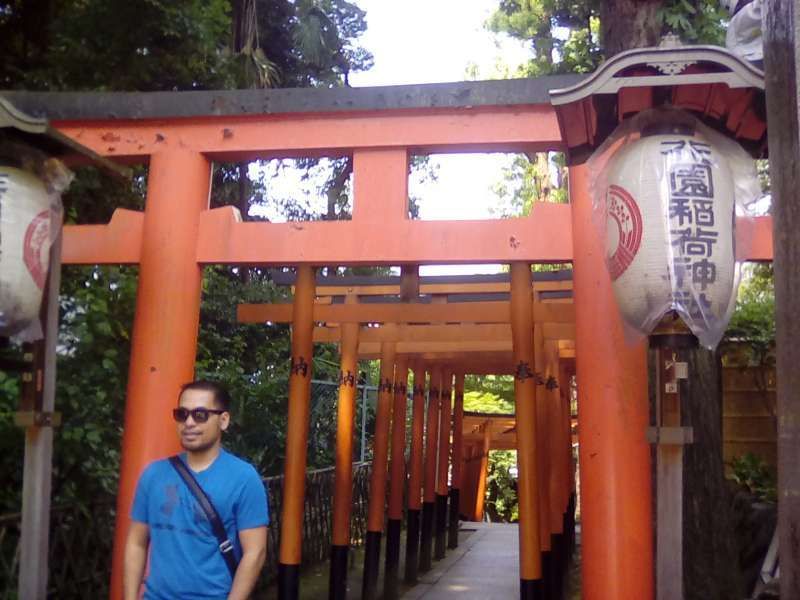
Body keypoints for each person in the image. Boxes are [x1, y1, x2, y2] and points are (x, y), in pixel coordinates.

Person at [123, 380, 269, 600]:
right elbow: (136, 542)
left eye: (200, 415)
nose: (189, 422)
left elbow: (255, 553)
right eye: (182, 414)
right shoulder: (153, 475)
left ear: (223, 420)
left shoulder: (243, 478)